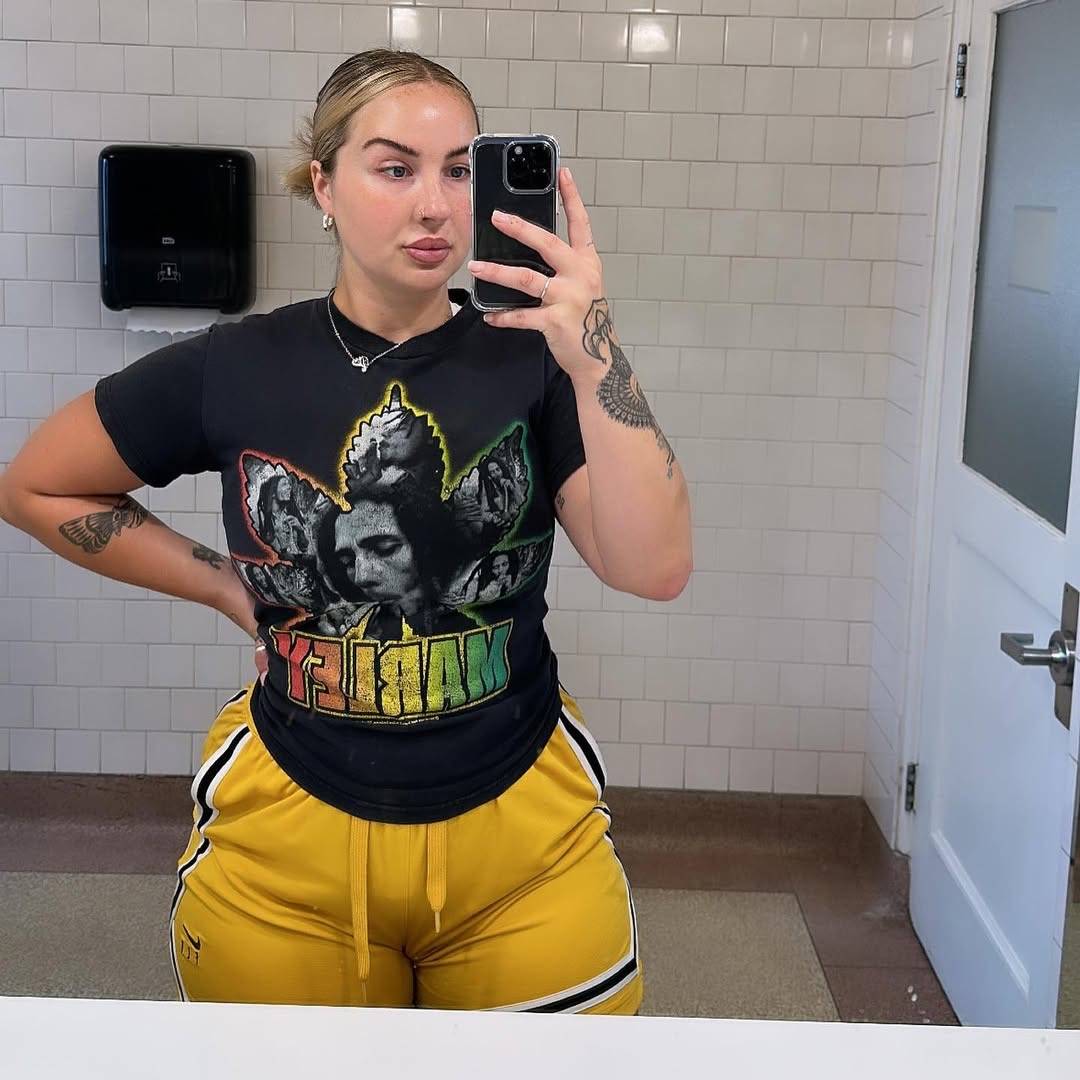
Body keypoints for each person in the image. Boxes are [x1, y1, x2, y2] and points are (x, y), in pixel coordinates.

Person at [0, 49, 692, 1014]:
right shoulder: (236, 364)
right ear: (323, 186)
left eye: (460, 170)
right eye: (394, 167)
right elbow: (38, 486)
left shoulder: (538, 361)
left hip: (523, 833)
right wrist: (223, 584)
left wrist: (594, 352)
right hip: (288, 834)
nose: (435, 206)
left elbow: (654, 567)